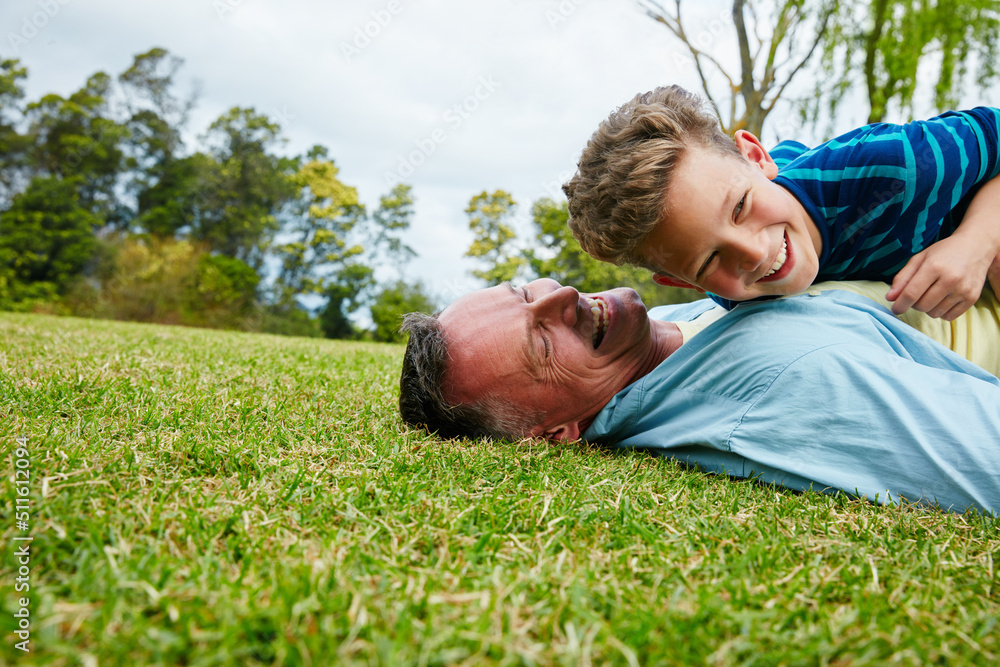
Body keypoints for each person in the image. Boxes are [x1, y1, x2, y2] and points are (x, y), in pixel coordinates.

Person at [399, 278, 1000, 515]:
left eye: (523, 289)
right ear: (555, 433)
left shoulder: (676, 314)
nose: (562, 297)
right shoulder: (787, 385)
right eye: (542, 342)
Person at [563, 85, 1000, 320]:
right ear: (688, 284)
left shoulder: (898, 167)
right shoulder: (729, 295)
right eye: (709, 260)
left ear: (756, 155)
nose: (754, 254)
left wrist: (974, 243)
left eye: (739, 208)